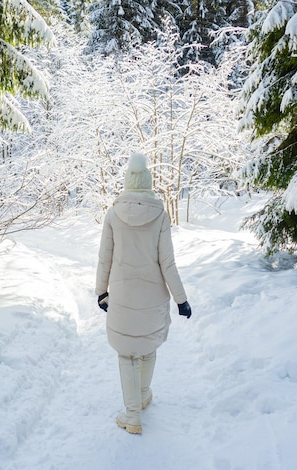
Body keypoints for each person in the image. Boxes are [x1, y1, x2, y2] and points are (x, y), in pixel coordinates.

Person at [95, 152, 192, 435]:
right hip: (153, 298)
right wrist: (181, 299)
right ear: (148, 183)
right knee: (148, 348)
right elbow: (168, 262)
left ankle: (132, 414)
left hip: (123, 298)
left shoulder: (113, 214)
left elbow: (105, 258)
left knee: (127, 355)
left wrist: (102, 292)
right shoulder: (160, 215)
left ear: (127, 182)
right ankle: (144, 393)